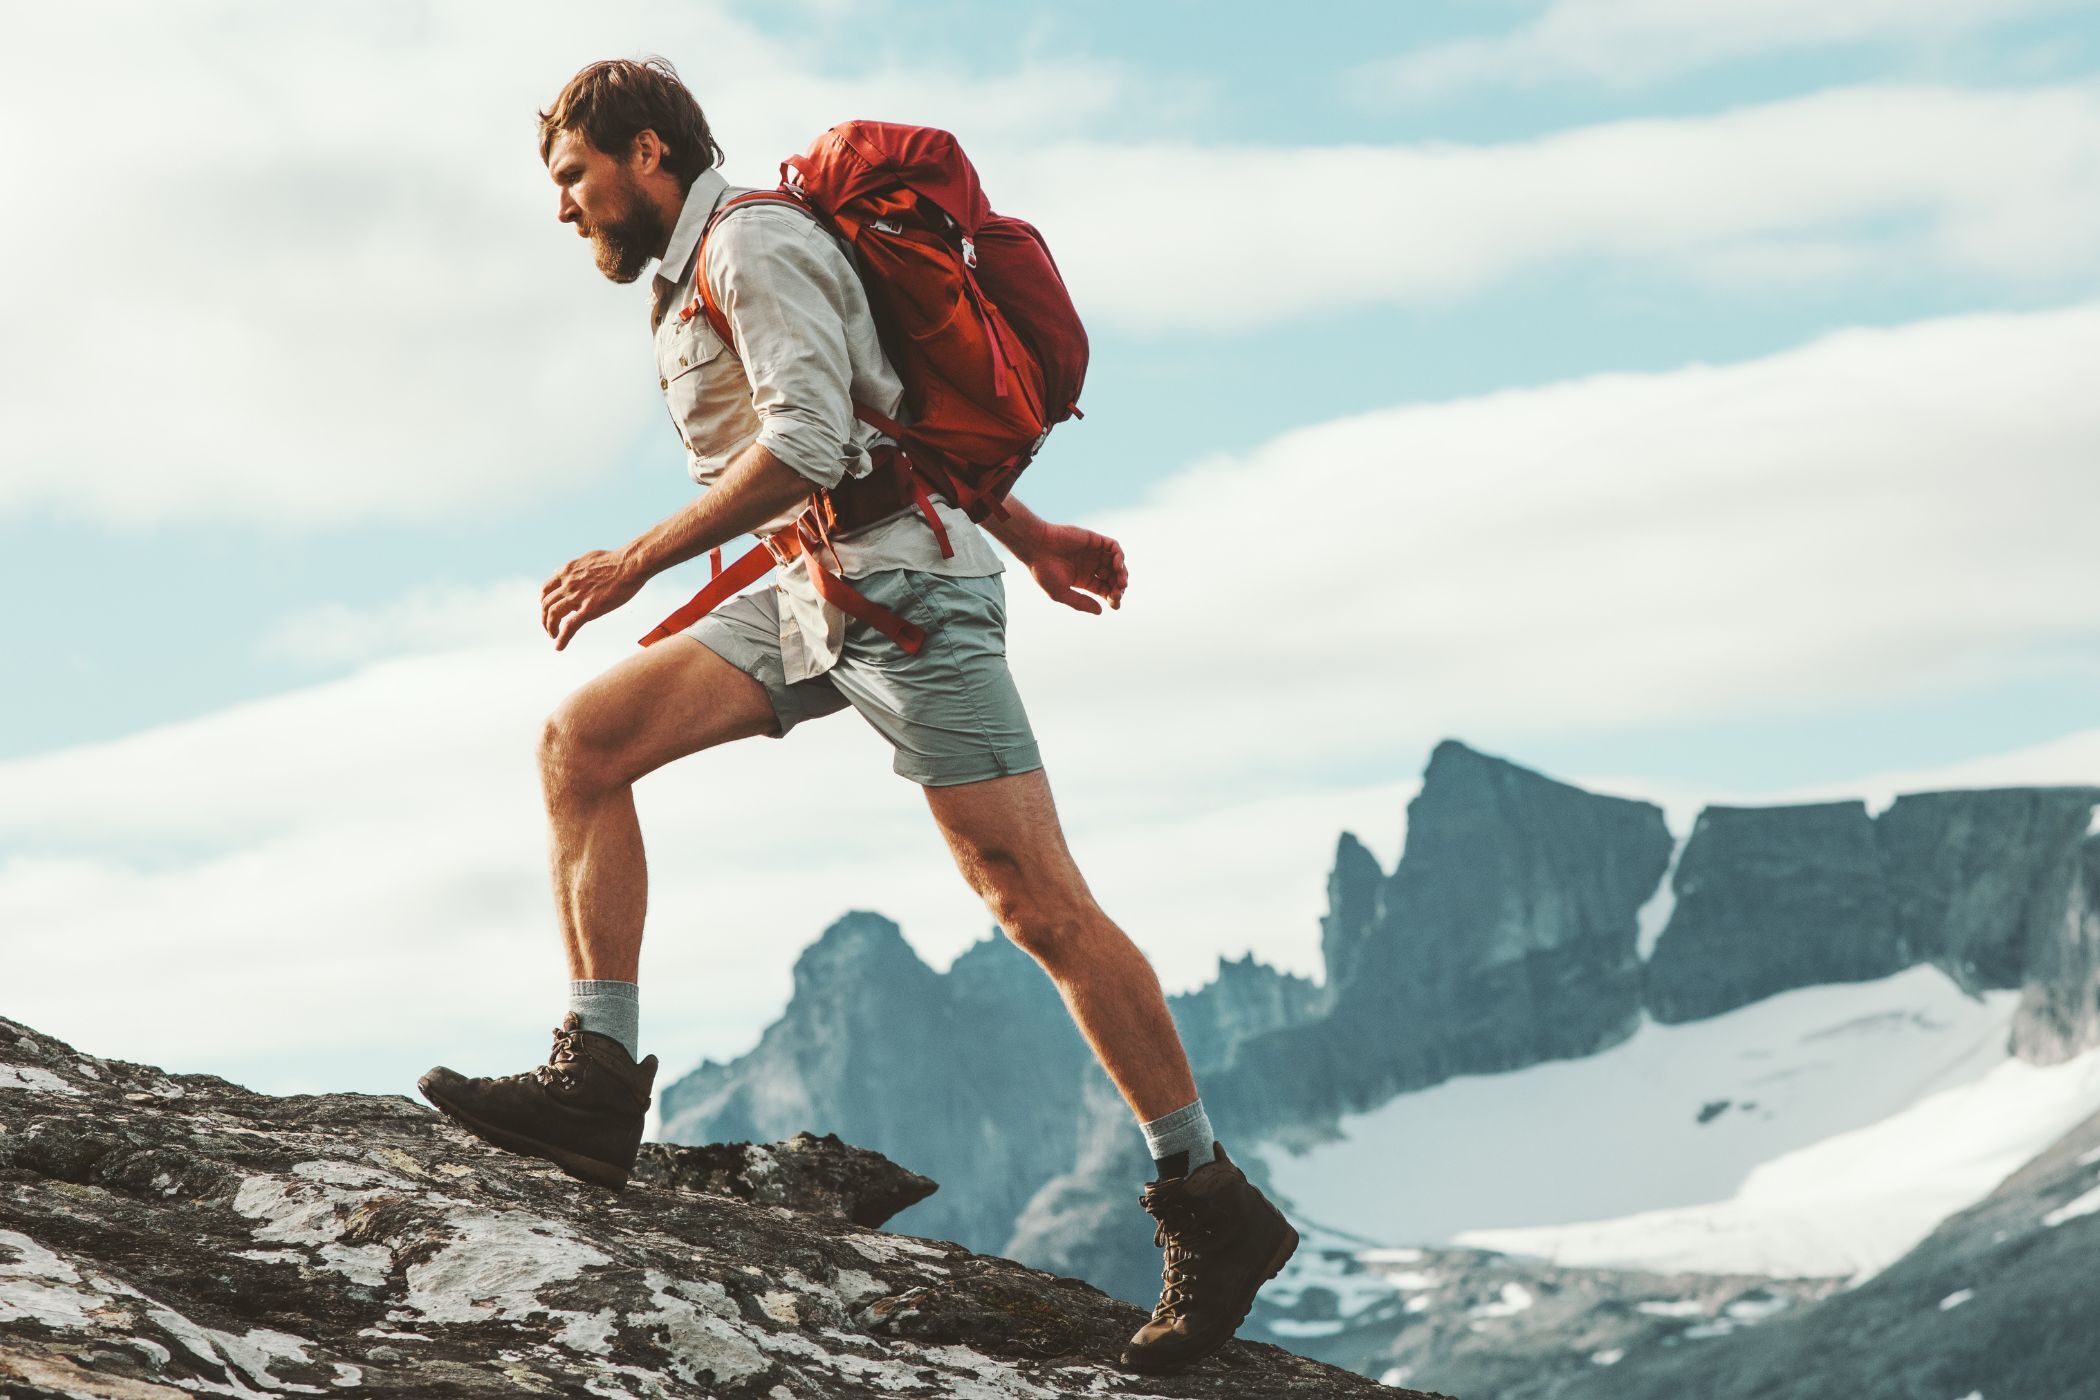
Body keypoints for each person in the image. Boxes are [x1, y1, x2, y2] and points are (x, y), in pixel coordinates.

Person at [416, 56, 1297, 1375]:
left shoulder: (751, 244)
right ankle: (599, 1083)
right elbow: (892, 414)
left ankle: (1210, 1200)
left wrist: (634, 562)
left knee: (1035, 903)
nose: (564, 208)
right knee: (582, 746)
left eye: (573, 176)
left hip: (909, 591)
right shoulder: (715, 258)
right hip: (818, 589)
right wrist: (1041, 533)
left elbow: (816, 444)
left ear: (647, 153)